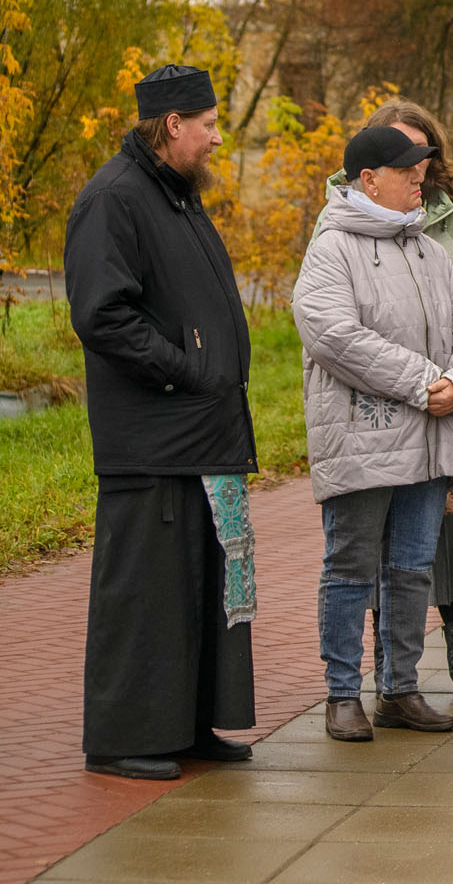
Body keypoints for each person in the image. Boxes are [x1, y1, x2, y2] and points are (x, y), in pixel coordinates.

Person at [66, 63, 257, 780]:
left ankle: (184, 725)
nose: (215, 137)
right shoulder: (115, 198)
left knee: (198, 591)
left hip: (201, 435)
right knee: (144, 592)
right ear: (172, 124)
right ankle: (121, 736)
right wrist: (187, 367)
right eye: (206, 124)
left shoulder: (174, 195)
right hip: (152, 440)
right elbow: (102, 316)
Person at [293, 125, 453, 742]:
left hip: (432, 435)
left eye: (420, 169)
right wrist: (425, 382)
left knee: (410, 567)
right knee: (350, 566)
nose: (418, 179)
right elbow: (331, 334)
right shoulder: (333, 247)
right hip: (363, 436)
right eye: (406, 171)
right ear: (367, 181)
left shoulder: (427, 247)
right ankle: (342, 694)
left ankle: (400, 690)